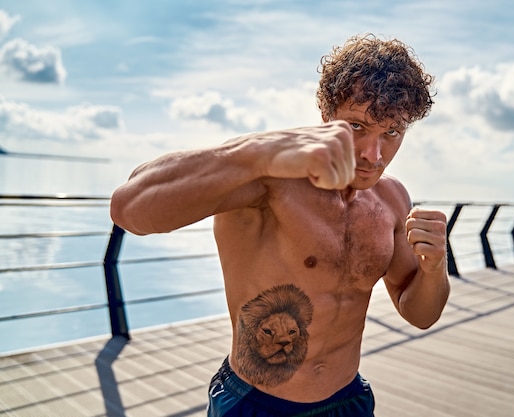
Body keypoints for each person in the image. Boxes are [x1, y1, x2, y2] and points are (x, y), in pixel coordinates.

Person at [110, 33, 450, 417]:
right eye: (357, 127)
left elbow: (421, 315)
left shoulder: (391, 199)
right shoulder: (268, 180)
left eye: (391, 132)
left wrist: (435, 267)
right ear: (326, 116)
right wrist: (262, 152)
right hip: (256, 403)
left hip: (348, 399)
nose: (374, 155)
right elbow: (128, 207)